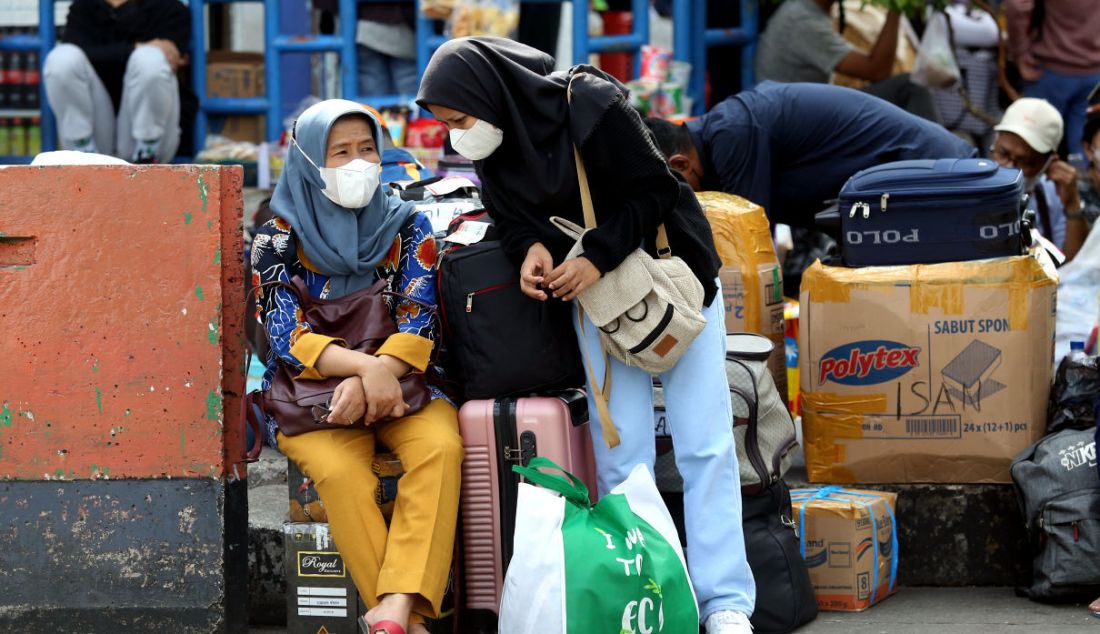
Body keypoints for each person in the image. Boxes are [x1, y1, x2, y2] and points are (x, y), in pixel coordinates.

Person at [417, 37, 756, 634]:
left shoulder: (587, 103)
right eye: (446, 125)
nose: (455, 136)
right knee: (619, 451)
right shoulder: (494, 144)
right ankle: (649, 589)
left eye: (459, 119)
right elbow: (516, 220)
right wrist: (531, 253)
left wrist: (595, 255)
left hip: (670, 285)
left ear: (490, 93)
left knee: (704, 443)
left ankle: (725, 603)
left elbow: (656, 189)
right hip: (594, 300)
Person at [251, 99, 462, 634]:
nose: (357, 163)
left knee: (441, 447)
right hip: (312, 400)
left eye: (367, 149)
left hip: (405, 386)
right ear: (306, 161)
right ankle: (408, 621)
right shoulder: (276, 238)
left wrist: (381, 373)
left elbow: (421, 317)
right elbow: (283, 334)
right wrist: (366, 373)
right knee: (342, 475)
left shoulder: (408, 224)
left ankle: (391, 611)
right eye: (339, 152)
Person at [644, 82, 977, 230]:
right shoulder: (724, 132)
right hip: (908, 184)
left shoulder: (733, 133)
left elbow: (745, 241)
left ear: (681, 164)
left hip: (934, 176)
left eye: (676, 189)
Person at [43, 0, 197, 163]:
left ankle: (147, 155)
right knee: (62, 58)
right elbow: (73, 54)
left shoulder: (170, 8)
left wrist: (107, 54)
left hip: (154, 136)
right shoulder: (84, 7)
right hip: (94, 139)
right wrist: (133, 49)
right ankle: (83, 153)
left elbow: (170, 57)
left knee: (150, 59)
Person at [755, 0, 939, 122]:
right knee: (909, 86)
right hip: (799, 119)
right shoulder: (802, 20)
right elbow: (877, 71)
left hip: (807, 110)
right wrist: (896, 8)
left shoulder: (808, 10)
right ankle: (944, 168)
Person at [1005, 0, 1100, 159]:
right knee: (1079, 140)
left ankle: (1042, 180)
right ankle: (1079, 176)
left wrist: (1020, 52)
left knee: (1032, 140)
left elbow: (1017, 5)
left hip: (1052, 69)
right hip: (1092, 71)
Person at [991, 97, 1084, 256]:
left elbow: (1071, 264)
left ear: (1049, 162)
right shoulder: (969, 186)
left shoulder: (1052, 194)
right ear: (995, 141)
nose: (1010, 167)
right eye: (1003, 153)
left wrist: (1073, 204)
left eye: (1026, 162)